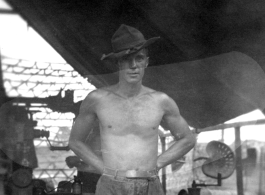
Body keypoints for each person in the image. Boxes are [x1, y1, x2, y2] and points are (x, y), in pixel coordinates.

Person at [69, 24, 197, 195]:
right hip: (111, 185)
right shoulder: (97, 99)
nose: (133, 65)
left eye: (139, 58)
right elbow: (75, 141)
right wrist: (102, 168)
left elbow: (187, 139)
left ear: (147, 62)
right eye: (126, 59)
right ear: (118, 63)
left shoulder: (161, 101)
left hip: (150, 184)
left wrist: (158, 163)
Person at [66, 121, 102, 195]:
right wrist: (73, 160)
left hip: (101, 175)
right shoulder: (86, 136)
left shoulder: (108, 137)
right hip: (87, 175)